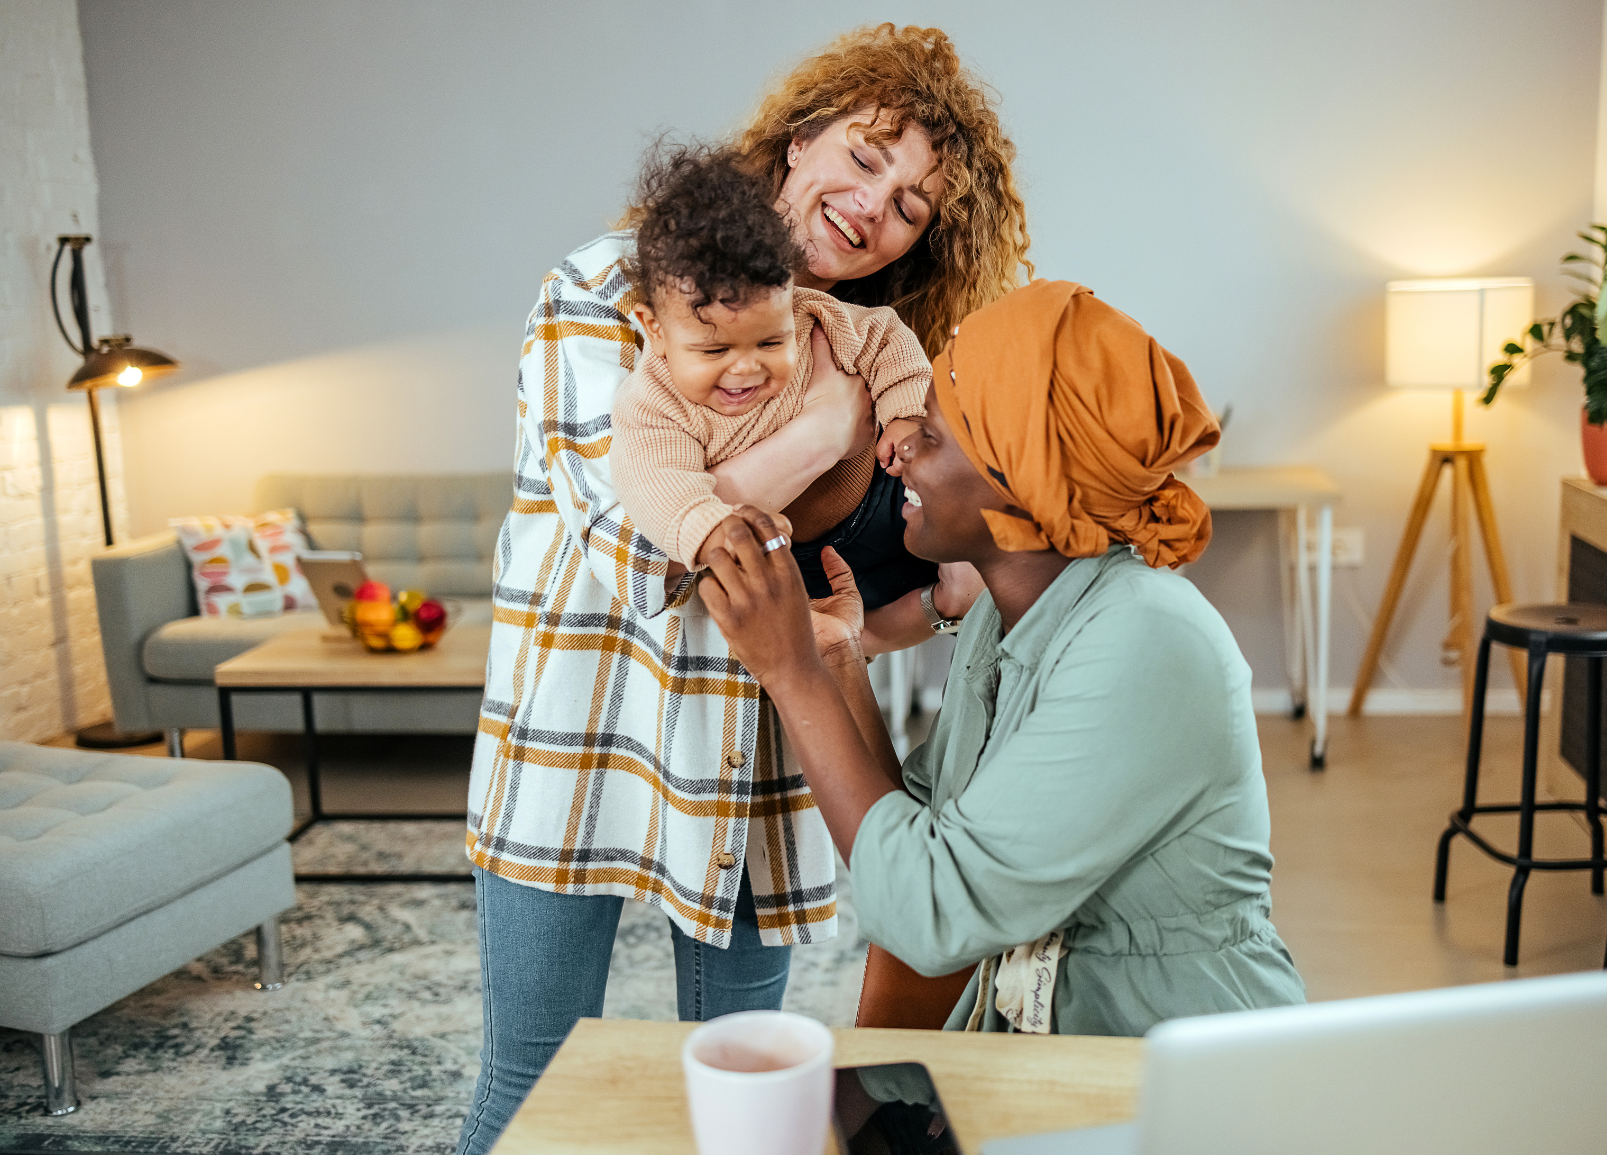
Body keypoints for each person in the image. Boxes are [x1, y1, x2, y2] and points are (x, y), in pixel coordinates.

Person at [459, 24, 1029, 1152]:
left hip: (753, 763)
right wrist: (819, 430)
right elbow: (631, 550)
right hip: (577, 741)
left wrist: (911, 610)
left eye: (910, 205)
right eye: (864, 158)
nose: (872, 207)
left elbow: (845, 605)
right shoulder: (606, 285)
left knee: (748, 1099)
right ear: (799, 138)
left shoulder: (869, 345)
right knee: (528, 1091)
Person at [698, 280, 1308, 1036]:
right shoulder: (1001, 617)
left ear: (1023, 479)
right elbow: (922, 831)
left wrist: (791, 672)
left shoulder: (1148, 638)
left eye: (930, 432)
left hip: (1183, 1075)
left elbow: (930, 912)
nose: (896, 448)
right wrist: (836, 658)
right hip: (1056, 1061)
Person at [612, 142, 938, 608]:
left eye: (770, 343)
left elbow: (885, 336)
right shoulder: (653, 406)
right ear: (656, 330)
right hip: (811, 560)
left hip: (887, 497)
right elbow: (660, 489)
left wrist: (905, 414)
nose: (746, 369)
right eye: (715, 349)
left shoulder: (811, 314)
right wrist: (714, 532)